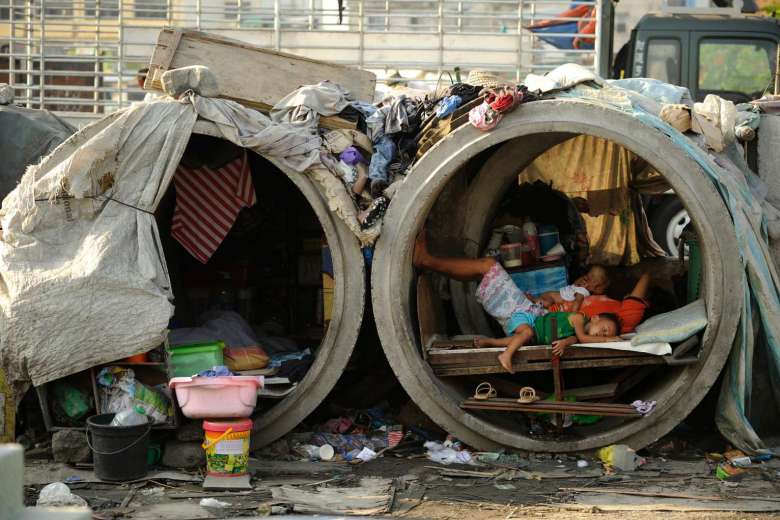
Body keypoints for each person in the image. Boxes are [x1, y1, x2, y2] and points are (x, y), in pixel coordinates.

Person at [414, 232, 622, 373]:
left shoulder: (581, 325)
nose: (603, 335)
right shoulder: (579, 316)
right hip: (530, 311)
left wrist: (611, 341)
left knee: (487, 266)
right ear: (595, 318)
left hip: (523, 315)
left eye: (605, 335)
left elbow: (582, 338)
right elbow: (573, 331)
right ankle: (431, 264)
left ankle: (426, 260)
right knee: (484, 270)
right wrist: (541, 301)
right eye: (605, 330)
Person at [545, 272, 651, 334]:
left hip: (547, 322)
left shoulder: (626, 320)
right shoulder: (608, 306)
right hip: (547, 309)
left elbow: (646, 276)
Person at [533, 265, 610, 313]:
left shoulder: (581, 285)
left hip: (551, 295)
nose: (586, 277)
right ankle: (532, 299)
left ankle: (534, 301)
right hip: (551, 297)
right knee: (545, 304)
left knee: (545, 307)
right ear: (596, 284)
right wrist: (573, 314)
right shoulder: (583, 291)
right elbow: (577, 302)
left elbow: (574, 284)